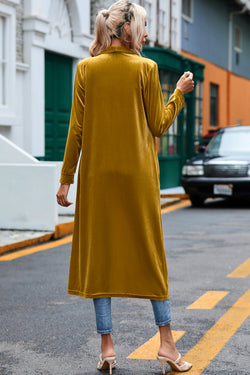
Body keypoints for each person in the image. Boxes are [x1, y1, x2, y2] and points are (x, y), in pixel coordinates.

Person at [56, 1, 194, 373]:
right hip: (138, 179)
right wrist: (179, 92)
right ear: (128, 30)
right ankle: (167, 344)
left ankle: (107, 347)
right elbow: (160, 124)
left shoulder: (86, 69)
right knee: (151, 256)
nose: (147, 35)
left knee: (100, 258)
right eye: (144, 28)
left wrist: (66, 179)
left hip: (98, 178)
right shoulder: (146, 69)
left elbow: (76, 131)